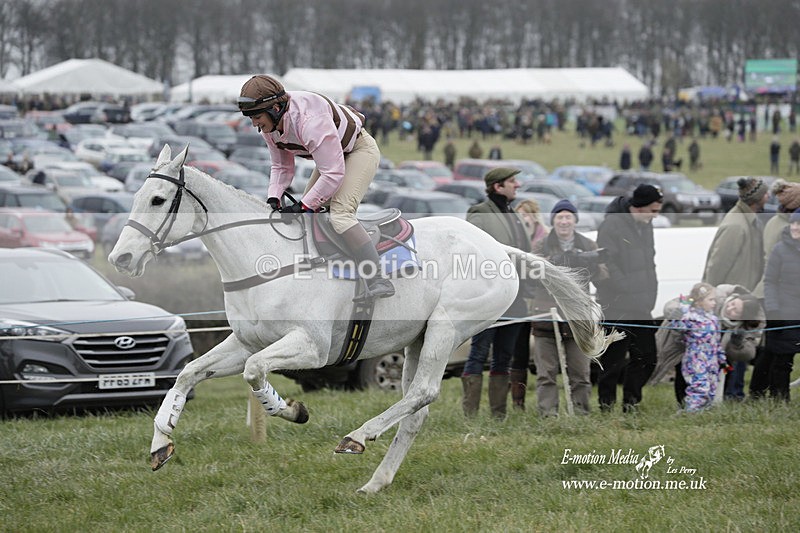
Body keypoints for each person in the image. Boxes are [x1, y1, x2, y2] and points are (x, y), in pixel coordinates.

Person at [237, 74, 394, 302]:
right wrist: (273, 199)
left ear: (276, 108)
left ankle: (377, 278)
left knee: (339, 215)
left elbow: (333, 173)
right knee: (308, 218)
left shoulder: (310, 121)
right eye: (250, 118)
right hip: (332, 157)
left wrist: (304, 205)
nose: (255, 124)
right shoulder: (271, 126)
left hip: (359, 151)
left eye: (257, 117)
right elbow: (281, 166)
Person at [461, 167, 531, 419]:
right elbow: (472, 254)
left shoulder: (514, 213)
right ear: (498, 186)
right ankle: (470, 415)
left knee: (504, 357)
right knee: (478, 353)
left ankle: (498, 415)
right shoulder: (479, 213)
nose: (518, 185)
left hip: (516, 299)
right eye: (512, 181)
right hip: (489, 298)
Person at [529, 199, 608, 416]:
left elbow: (602, 277)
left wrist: (589, 266)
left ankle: (581, 413)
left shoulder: (588, 245)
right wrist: (553, 264)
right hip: (546, 315)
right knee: (546, 373)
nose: (564, 221)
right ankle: (548, 414)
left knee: (580, 372)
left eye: (568, 217)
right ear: (553, 221)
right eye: (559, 217)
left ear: (575, 221)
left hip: (578, 318)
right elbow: (531, 276)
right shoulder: (541, 245)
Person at [595, 184, 663, 413]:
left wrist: (651, 291)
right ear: (640, 207)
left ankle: (631, 403)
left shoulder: (647, 225)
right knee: (612, 359)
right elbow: (607, 262)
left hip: (641, 305)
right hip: (616, 304)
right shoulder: (611, 224)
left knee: (648, 357)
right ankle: (606, 405)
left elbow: (649, 262)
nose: (656, 215)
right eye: (653, 210)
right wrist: (625, 288)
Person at [703, 176, 769, 400]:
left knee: (739, 346)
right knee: (728, 349)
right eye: (765, 194)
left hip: (743, 297)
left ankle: (734, 391)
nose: (768, 197)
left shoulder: (748, 219)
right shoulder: (736, 225)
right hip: (731, 301)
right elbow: (717, 264)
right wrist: (710, 295)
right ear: (757, 198)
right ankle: (728, 393)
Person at [653, 284, 764, 407]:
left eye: (736, 311)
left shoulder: (744, 326)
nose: (730, 309)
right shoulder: (713, 300)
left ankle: (706, 407)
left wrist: (737, 344)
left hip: (714, 360)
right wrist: (677, 315)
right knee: (694, 384)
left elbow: (748, 353)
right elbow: (677, 306)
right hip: (692, 356)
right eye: (732, 304)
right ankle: (688, 408)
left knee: (709, 386)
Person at [759, 208, 800, 401]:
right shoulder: (780, 249)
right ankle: (780, 399)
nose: (795, 227)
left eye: (799, 224)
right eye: (793, 223)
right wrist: (773, 310)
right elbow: (770, 281)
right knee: (782, 360)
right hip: (785, 311)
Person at [671, 283, 726, 412]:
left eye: (714, 300)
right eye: (711, 300)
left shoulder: (713, 319)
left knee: (712, 388)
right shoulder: (690, 317)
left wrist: (722, 359)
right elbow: (678, 326)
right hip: (696, 359)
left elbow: (716, 341)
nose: (714, 303)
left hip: (712, 361)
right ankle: (690, 413)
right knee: (700, 387)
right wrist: (682, 310)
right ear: (699, 301)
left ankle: (704, 412)